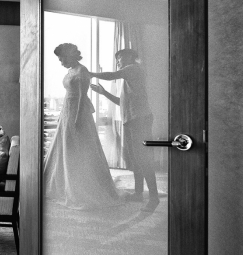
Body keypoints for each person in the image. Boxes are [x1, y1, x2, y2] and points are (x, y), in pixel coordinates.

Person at [43, 43, 122, 210]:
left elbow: (80, 97)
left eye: (62, 58)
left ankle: (81, 187)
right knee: (65, 146)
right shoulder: (70, 71)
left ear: (70, 56)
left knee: (79, 147)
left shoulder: (82, 71)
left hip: (78, 112)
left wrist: (77, 119)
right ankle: (62, 184)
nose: (61, 62)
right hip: (67, 110)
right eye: (59, 59)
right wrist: (63, 117)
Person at [90, 48, 160, 212]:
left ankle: (154, 197)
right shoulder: (129, 76)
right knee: (136, 158)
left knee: (143, 158)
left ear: (130, 57)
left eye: (120, 57)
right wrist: (104, 92)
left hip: (140, 120)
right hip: (133, 121)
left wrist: (91, 73)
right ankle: (138, 193)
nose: (118, 61)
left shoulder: (133, 69)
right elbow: (120, 102)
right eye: (117, 59)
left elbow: (111, 75)